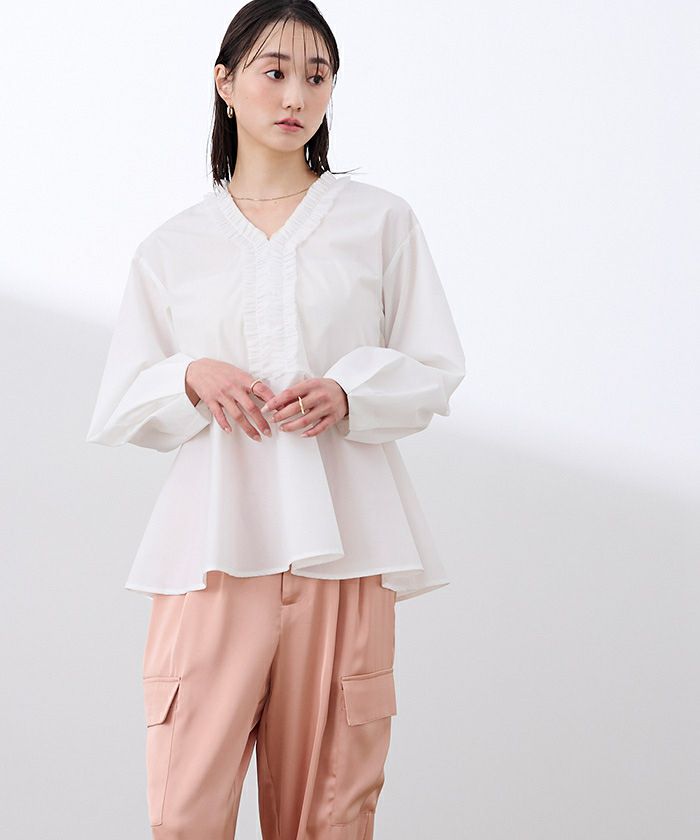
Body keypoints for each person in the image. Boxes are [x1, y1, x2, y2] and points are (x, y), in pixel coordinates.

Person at [85, 1, 466, 837]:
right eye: (275, 71)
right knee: (185, 809)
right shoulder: (173, 246)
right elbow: (119, 401)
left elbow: (435, 365)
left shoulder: (379, 222)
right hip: (212, 552)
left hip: (344, 546)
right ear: (225, 84)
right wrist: (190, 375)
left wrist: (353, 393)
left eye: (317, 76)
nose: (297, 95)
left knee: (329, 813)